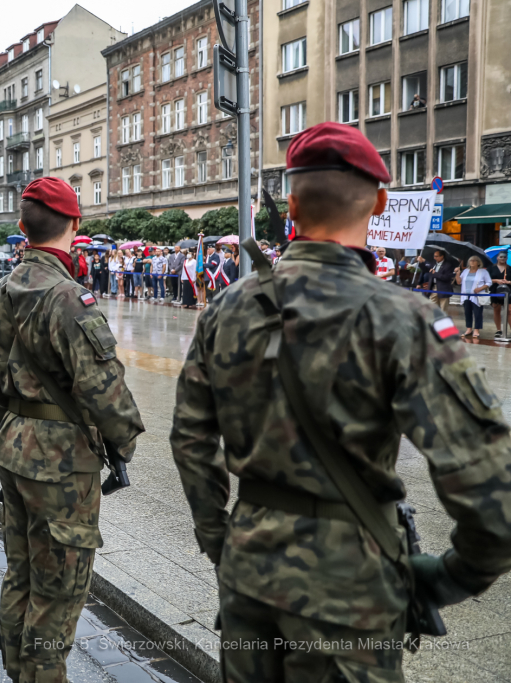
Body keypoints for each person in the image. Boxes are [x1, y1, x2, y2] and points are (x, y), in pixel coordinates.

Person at [170, 121, 511, 682]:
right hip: (350, 588)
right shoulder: (402, 317)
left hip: (247, 574)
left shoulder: (227, 308)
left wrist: (220, 541)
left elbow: (189, 439)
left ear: (293, 205)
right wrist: (450, 576)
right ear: (380, 202)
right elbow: (488, 486)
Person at [0, 177, 144, 683]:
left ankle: (17, 669)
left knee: (22, 573)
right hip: (62, 461)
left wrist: (16, 424)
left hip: (14, 447)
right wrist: (124, 444)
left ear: (23, 228)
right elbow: (105, 391)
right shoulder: (71, 297)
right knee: (60, 590)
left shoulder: (3, 290)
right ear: (75, 223)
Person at [457, 254, 492, 338]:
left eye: (474, 260)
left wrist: (480, 288)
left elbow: (489, 282)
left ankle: (476, 330)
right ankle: (469, 329)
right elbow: (459, 282)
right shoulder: (465, 271)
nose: (472, 262)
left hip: (477, 296)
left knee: (477, 313)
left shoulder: (483, 271)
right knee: (467, 313)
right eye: (470, 260)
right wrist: (457, 273)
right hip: (465, 296)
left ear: (478, 263)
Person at [427, 248, 456, 313]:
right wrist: (421, 263)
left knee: (443, 309)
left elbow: (446, 277)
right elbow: (426, 270)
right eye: (434, 256)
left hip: (443, 289)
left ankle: (443, 322)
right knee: (433, 309)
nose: (434, 258)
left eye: (436, 256)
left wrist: (435, 274)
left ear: (442, 256)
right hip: (433, 288)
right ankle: (435, 322)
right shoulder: (433, 263)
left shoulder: (448, 265)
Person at [487, 250, 510, 333]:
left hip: (508, 292)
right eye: (501, 257)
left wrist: (508, 282)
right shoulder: (491, 268)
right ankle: (499, 330)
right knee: (497, 310)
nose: (502, 258)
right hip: (495, 291)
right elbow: (486, 280)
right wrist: (496, 280)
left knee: (509, 311)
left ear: (507, 258)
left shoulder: (509, 268)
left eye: (504, 257)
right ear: (497, 257)